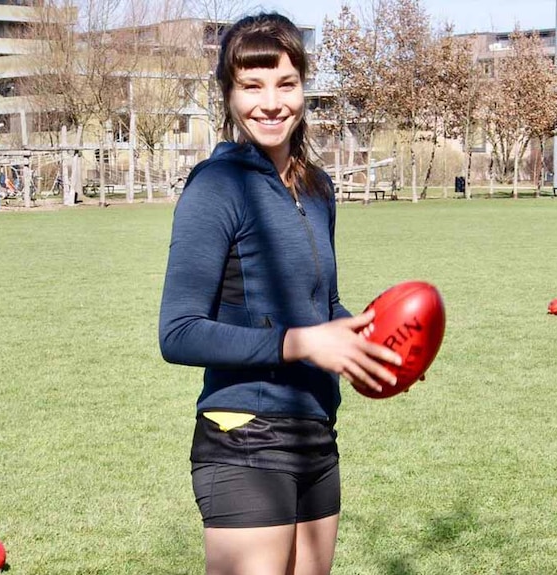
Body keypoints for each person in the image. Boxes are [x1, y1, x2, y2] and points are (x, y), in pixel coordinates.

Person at [158, 13, 402, 575]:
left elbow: (325, 308)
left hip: (316, 433)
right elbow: (178, 332)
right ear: (229, 94)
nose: (271, 103)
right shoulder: (215, 188)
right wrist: (301, 344)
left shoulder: (317, 189)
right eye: (252, 85)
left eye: (285, 83)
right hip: (242, 438)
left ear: (304, 87)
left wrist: (377, 344)